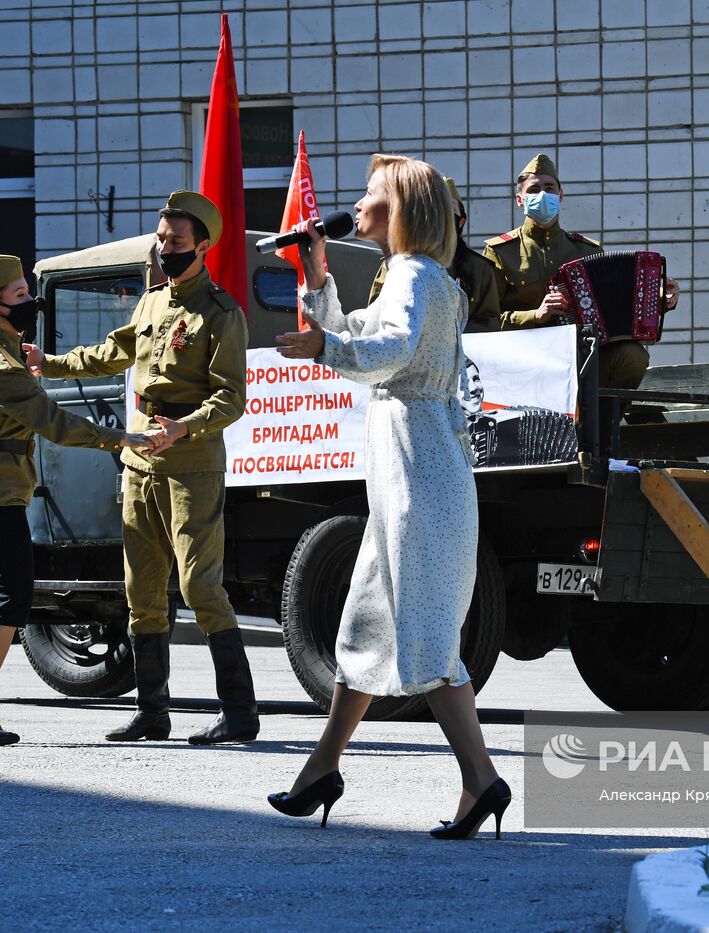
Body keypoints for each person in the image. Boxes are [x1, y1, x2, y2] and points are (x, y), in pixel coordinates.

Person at [267, 154, 509, 839]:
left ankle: (482, 777)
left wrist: (322, 349)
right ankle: (322, 767)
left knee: (430, 636)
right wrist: (317, 281)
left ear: (403, 209)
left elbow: (388, 351)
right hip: (413, 478)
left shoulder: (412, 275)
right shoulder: (425, 277)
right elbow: (359, 339)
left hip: (419, 480)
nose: (360, 203)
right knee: (369, 625)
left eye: (373, 194)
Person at [25, 191, 257, 746]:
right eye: (161, 239)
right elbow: (112, 352)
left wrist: (183, 427)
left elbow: (231, 399)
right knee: (141, 587)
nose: (164, 249)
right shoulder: (152, 302)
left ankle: (240, 714)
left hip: (190, 463)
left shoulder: (222, 314)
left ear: (202, 246)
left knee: (200, 586)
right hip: (139, 458)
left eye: (176, 242)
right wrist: (48, 364)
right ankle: (152, 711)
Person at [0, 254, 150, 745]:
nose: (30, 301)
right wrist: (119, 438)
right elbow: (54, 423)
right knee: (7, 601)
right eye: (19, 296)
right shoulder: (0, 367)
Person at [483, 153, 680, 389]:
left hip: (579, 359)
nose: (543, 195)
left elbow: (615, 306)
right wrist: (534, 315)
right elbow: (485, 321)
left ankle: (603, 425)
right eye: (534, 190)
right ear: (519, 199)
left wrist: (658, 297)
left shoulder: (586, 249)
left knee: (632, 356)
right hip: (524, 360)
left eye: (549, 188)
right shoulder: (500, 251)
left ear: (561, 195)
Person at [366, 177, 501, 333]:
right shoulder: (397, 264)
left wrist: (449, 332)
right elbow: (374, 317)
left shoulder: (478, 268)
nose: (440, 218)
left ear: (461, 221)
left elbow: (489, 323)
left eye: (447, 210)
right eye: (432, 209)